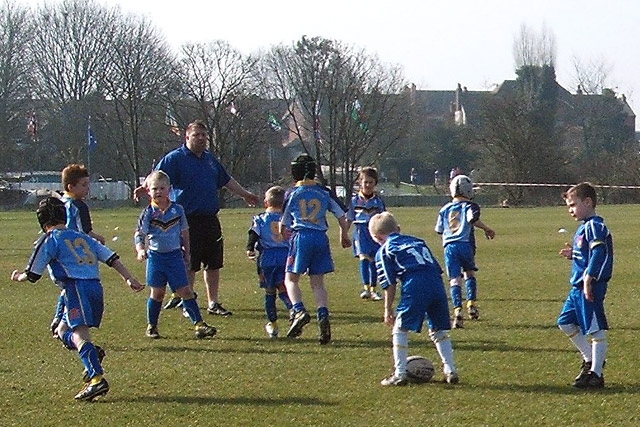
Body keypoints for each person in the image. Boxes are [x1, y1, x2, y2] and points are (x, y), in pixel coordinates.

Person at [10, 197, 145, 401]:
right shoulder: (81, 236)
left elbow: (33, 274)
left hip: (76, 288)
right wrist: (129, 278)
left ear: (42, 221)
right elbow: (111, 257)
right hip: (93, 287)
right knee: (62, 330)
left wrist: (18, 276)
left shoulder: (50, 238)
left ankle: (97, 379)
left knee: (80, 334)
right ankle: (92, 353)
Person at [136, 119, 259, 317]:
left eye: (203, 135)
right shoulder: (175, 158)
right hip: (187, 220)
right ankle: (187, 301)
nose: (201, 138)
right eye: (196, 135)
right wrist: (144, 187)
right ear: (187, 137)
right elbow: (156, 175)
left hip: (210, 218)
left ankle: (213, 303)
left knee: (213, 262)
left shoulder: (210, 160)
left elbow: (226, 180)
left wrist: (245, 194)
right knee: (190, 262)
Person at [369, 212, 458, 385]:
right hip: (436, 283)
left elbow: (389, 284)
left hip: (415, 283)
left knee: (400, 329)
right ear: (399, 229)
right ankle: (450, 370)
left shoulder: (384, 250)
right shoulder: (419, 241)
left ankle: (400, 373)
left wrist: (387, 309)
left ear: (376, 237)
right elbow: (435, 267)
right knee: (439, 330)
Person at [134, 171, 217, 340]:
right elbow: (139, 234)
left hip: (174, 257)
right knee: (157, 293)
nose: (158, 192)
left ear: (169, 190)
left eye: (162, 188)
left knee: (185, 291)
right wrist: (140, 249)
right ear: (148, 191)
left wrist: (187, 251)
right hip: (157, 258)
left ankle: (199, 324)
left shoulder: (177, 210)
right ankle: (152, 326)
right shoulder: (148, 212)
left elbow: (184, 232)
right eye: (154, 188)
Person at [279, 154, 351, 344]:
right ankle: (323, 316)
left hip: (301, 236)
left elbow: (283, 222)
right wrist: (344, 234)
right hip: (321, 238)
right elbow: (342, 215)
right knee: (318, 283)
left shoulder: (292, 193)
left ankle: (299, 310)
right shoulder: (323, 191)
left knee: (290, 279)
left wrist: (282, 234)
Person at [558, 182, 612, 389]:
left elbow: (599, 253)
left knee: (594, 329)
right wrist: (574, 255)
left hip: (590, 286)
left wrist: (589, 279)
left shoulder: (596, 225)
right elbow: (588, 253)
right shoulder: (583, 228)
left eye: (573, 205)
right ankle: (590, 359)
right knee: (565, 322)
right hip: (577, 288)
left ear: (588, 202)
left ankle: (596, 375)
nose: (570, 210)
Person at [50, 164, 106, 342]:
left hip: (62, 250)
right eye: (84, 185)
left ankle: (58, 320)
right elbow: (85, 232)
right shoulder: (78, 206)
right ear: (70, 187)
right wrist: (99, 239)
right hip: (78, 255)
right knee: (74, 288)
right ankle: (63, 321)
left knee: (67, 287)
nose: (87, 189)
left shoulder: (61, 203)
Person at [435, 174, 495, 329]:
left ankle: (457, 312)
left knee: (454, 279)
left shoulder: (444, 209)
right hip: (465, 245)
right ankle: (471, 305)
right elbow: (472, 219)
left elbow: (439, 230)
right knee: (469, 273)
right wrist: (487, 229)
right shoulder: (470, 206)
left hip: (449, 247)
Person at [246, 186, 293, 338]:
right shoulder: (289, 218)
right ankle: (293, 309)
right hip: (286, 257)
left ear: (266, 203)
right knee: (284, 288)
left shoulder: (260, 219)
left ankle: (273, 324)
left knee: (269, 291)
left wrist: (250, 249)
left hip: (267, 258)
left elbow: (253, 234)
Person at [346, 167, 386, 300]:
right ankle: (366, 288)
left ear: (375, 184)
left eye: (371, 182)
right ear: (360, 183)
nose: (368, 185)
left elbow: (383, 218)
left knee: (374, 261)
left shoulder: (378, 201)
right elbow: (350, 218)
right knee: (363, 258)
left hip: (374, 232)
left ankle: (374, 289)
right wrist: (344, 234)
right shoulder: (354, 201)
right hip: (360, 232)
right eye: (365, 182)